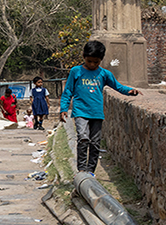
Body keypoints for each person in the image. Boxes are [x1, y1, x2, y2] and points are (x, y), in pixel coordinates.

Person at [59, 40, 139, 174]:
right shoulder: (76, 71)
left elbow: (117, 86)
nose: (92, 64)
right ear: (84, 56)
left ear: (100, 60)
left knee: (95, 143)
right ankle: (82, 169)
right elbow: (68, 91)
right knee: (83, 138)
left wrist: (129, 91)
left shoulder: (104, 74)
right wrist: (63, 109)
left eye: (95, 62)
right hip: (80, 111)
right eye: (89, 61)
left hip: (96, 112)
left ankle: (90, 170)